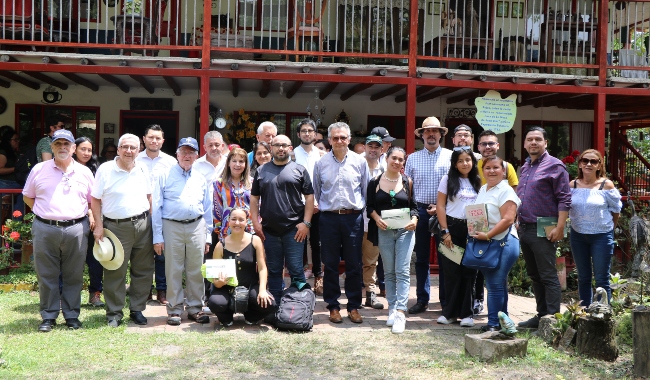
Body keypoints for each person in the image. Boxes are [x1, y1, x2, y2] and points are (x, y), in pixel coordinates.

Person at [23, 129, 94, 332]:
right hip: (45, 228)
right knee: (47, 274)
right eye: (58, 144)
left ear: (73, 148)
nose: (62, 148)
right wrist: (46, 212)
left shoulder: (84, 172)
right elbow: (29, 197)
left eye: (66, 144)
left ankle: (72, 315)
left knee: (74, 274)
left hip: (77, 228)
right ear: (52, 147)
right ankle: (49, 316)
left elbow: (92, 201)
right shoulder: (39, 169)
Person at [91, 133, 155, 327]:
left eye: (133, 148)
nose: (129, 151)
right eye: (125, 147)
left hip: (143, 224)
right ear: (118, 149)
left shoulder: (143, 167)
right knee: (115, 271)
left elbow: (149, 197)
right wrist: (99, 226)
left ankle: (137, 309)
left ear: (139, 150)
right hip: (116, 226)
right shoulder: (106, 169)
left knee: (143, 270)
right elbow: (95, 199)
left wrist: (152, 223)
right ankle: (114, 314)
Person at [152, 137, 213, 326]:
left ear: (196, 155)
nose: (187, 155)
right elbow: (156, 207)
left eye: (191, 152)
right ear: (177, 154)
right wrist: (157, 236)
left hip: (197, 226)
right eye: (183, 152)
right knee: (173, 269)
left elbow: (208, 208)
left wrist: (208, 234)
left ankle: (196, 308)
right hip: (172, 226)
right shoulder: (164, 175)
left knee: (196, 269)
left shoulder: (200, 177)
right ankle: (174, 309)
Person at [313, 122, 369, 324]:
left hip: (353, 217)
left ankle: (353, 306)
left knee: (354, 264)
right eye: (335, 138)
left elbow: (365, 191)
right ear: (329, 140)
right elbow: (317, 192)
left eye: (343, 137)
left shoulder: (359, 162)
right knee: (330, 264)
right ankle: (333, 306)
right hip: (328, 218)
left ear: (349, 139)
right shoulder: (321, 163)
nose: (339, 141)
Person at [516, 127, 571, 328]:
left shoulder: (555, 166)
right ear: (524, 144)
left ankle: (552, 320)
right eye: (529, 139)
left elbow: (564, 199)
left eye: (538, 139)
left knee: (548, 274)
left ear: (545, 143)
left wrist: (560, 226)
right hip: (525, 227)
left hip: (545, 227)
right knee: (534, 274)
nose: (533, 142)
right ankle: (541, 316)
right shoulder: (525, 167)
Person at [250, 134, 314, 307]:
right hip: (269, 231)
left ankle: (299, 308)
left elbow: (309, 197)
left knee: (296, 270)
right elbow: (254, 198)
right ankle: (276, 308)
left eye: (284, 145)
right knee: (274, 271)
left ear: (290, 148)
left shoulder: (299, 170)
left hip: (294, 230)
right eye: (277, 145)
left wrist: (306, 223)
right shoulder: (261, 171)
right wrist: (256, 223)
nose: (280, 148)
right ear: (271, 148)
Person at [367, 146, 417, 334]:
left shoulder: (407, 182)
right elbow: (369, 206)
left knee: (402, 271)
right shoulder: (374, 182)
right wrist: (376, 218)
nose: (397, 162)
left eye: (400, 159)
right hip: (385, 231)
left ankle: (401, 313)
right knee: (388, 272)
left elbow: (414, 207)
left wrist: (414, 219)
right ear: (386, 158)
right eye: (393, 158)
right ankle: (392, 309)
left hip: (405, 231)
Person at [404, 117, 452, 314]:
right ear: (421, 135)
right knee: (421, 258)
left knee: (446, 258)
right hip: (421, 211)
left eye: (435, 131)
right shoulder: (413, 158)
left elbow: (455, 186)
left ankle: (445, 300)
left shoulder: (451, 156)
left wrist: (443, 207)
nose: (431, 134)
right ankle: (422, 299)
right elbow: (407, 188)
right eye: (427, 131)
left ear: (441, 134)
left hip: (445, 211)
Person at [473, 155, 521, 331]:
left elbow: (508, 219)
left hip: (504, 242)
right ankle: (503, 322)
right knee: (497, 284)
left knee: (494, 284)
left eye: (496, 168)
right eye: (488, 168)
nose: (491, 171)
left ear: (504, 171)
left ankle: (493, 323)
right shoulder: (484, 189)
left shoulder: (506, 191)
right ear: (483, 171)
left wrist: (487, 235)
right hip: (487, 242)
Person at [436, 147, 482, 327]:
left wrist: (479, 232)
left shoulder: (478, 181)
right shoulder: (447, 180)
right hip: (452, 230)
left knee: (470, 272)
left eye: (468, 160)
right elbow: (440, 206)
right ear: (455, 164)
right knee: (451, 272)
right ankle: (449, 314)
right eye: (461, 160)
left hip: (473, 229)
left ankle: (467, 314)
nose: (465, 163)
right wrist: (445, 231)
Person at [569, 149, 621, 306]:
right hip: (578, 235)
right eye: (585, 161)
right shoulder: (573, 185)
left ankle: (603, 314)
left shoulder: (606, 185)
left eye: (593, 161)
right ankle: (584, 313)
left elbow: (616, 210)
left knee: (601, 278)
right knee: (583, 277)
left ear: (600, 165)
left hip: (601, 236)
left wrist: (609, 229)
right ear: (580, 164)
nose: (589, 164)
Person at [207, 208, 276, 326]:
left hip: (250, 286)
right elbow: (215, 279)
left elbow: (262, 268)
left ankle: (251, 316)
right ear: (228, 221)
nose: (237, 223)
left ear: (246, 222)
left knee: (270, 304)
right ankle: (226, 317)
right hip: (226, 288)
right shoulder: (220, 245)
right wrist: (220, 283)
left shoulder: (255, 240)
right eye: (233, 219)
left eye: (241, 220)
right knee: (215, 302)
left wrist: (263, 289)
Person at [136, 124, 177, 305]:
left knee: (162, 254)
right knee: (142, 255)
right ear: (144, 139)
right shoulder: (135, 159)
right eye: (151, 137)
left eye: (158, 138)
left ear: (163, 141)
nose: (154, 141)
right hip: (139, 213)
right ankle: (144, 291)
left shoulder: (170, 162)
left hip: (162, 214)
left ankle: (162, 290)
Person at [293, 119, 326, 295]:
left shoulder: (322, 155)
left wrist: (317, 203)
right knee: (298, 241)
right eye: (303, 131)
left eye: (310, 130)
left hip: (318, 205)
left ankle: (318, 276)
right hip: (297, 205)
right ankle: (297, 277)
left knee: (317, 242)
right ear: (298, 134)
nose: (307, 133)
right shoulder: (292, 155)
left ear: (315, 134)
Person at [72, 137, 103, 307]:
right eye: (83, 149)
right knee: (73, 260)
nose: (86, 153)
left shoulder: (96, 170)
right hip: (75, 219)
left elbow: (96, 197)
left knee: (95, 259)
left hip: (94, 220)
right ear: (74, 149)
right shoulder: (66, 169)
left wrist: (94, 216)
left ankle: (95, 293)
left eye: (89, 150)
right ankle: (69, 295)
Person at [361, 134, 386, 309]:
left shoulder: (385, 170)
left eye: (377, 146)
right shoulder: (356, 166)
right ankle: (354, 295)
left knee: (371, 261)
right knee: (352, 259)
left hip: (374, 221)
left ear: (382, 150)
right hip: (353, 219)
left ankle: (371, 295)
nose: (373, 149)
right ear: (364, 147)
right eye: (370, 146)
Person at [212, 148, 253, 241]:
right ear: (228, 163)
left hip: (249, 230)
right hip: (228, 230)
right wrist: (218, 230)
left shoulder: (252, 183)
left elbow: (258, 207)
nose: (237, 164)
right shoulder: (219, 184)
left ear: (246, 164)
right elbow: (217, 209)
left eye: (241, 161)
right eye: (234, 161)